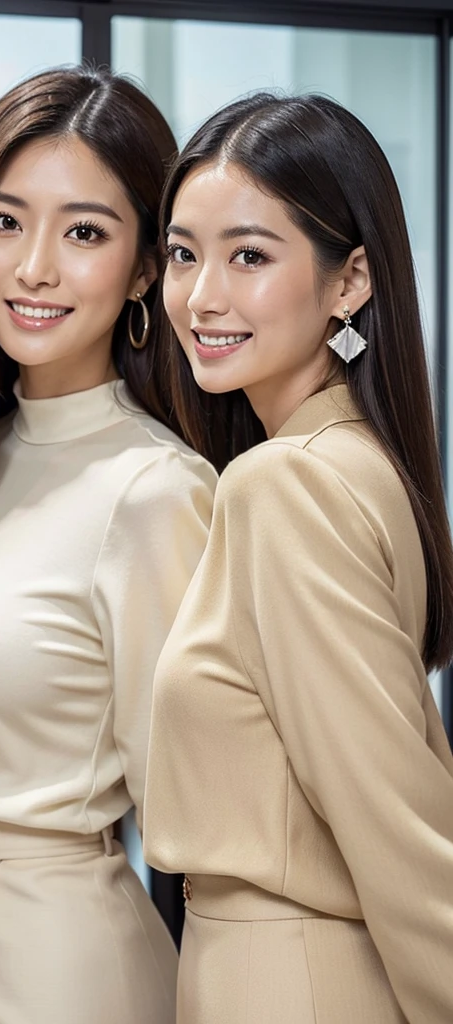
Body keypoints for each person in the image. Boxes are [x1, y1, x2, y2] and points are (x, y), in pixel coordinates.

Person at [0, 67, 217, 1024]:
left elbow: (192, 817)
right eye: (4, 222)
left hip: (53, 959)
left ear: (143, 271)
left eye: (84, 232)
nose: (33, 265)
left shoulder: (155, 490)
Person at [144, 92, 453, 1024]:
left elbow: (397, 819)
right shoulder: (360, 463)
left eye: (249, 256)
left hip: (288, 978)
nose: (202, 296)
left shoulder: (286, 485)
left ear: (350, 280)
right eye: (183, 254)